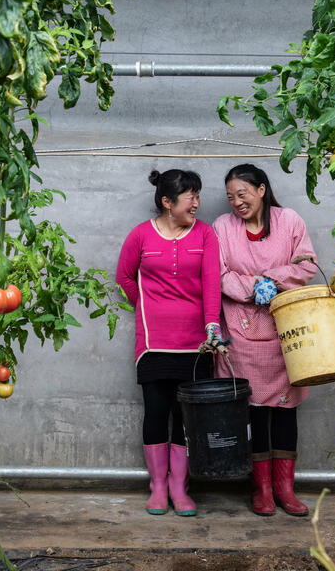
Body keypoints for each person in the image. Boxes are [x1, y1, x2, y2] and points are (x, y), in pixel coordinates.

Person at [115, 169, 225, 517]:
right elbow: (124, 277)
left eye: (198, 196)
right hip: (153, 342)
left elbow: (211, 283)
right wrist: (147, 306)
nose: (197, 203)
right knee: (156, 411)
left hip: (197, 343)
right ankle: (158, 487)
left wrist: (212, 326)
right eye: (191, 196)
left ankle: (179, 486)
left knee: (186, 416)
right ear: (167, 202)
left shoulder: (205, 234)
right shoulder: (140, 235)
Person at [212, 164, 317, 516]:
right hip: (241, 332)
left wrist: (272, 279)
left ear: (261, 189)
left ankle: (286, 489)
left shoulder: (290, 221)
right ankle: (262, 489)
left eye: (242, 194)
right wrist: (253, 288)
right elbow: (219, 273)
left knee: (286, 411)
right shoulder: (222, 227)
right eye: (230, 197)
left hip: (286, 332)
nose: (236, 202)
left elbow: (307, 264)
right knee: (253, 412)